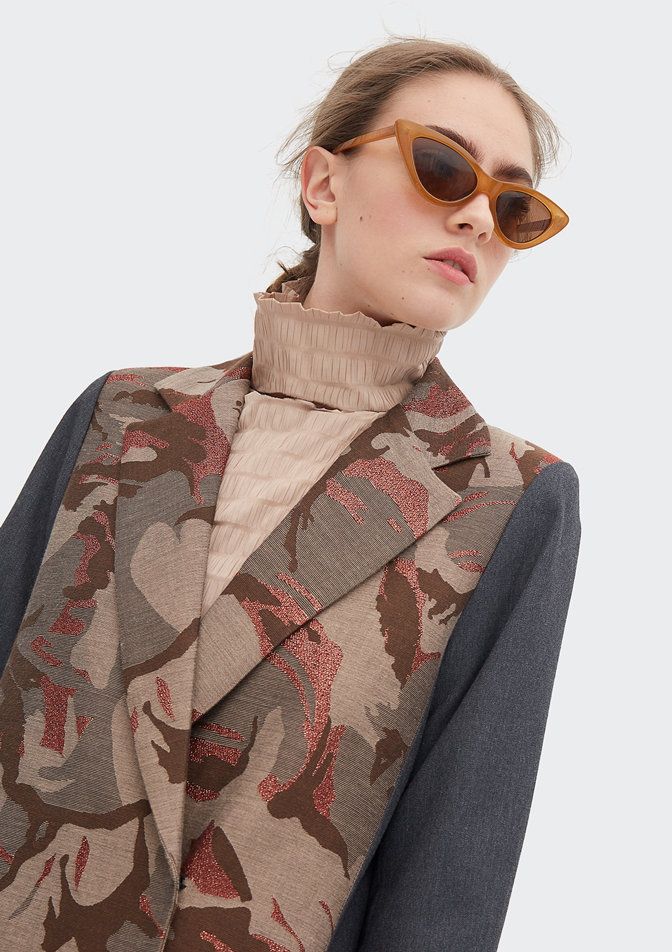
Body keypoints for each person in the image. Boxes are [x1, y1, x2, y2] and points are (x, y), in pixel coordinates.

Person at [0, 38, 579, 952]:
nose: (477, 217)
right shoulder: (117, 419)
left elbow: (452, 880)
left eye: (514, 207)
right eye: (442, 167)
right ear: (322, 185)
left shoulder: (511, 501)